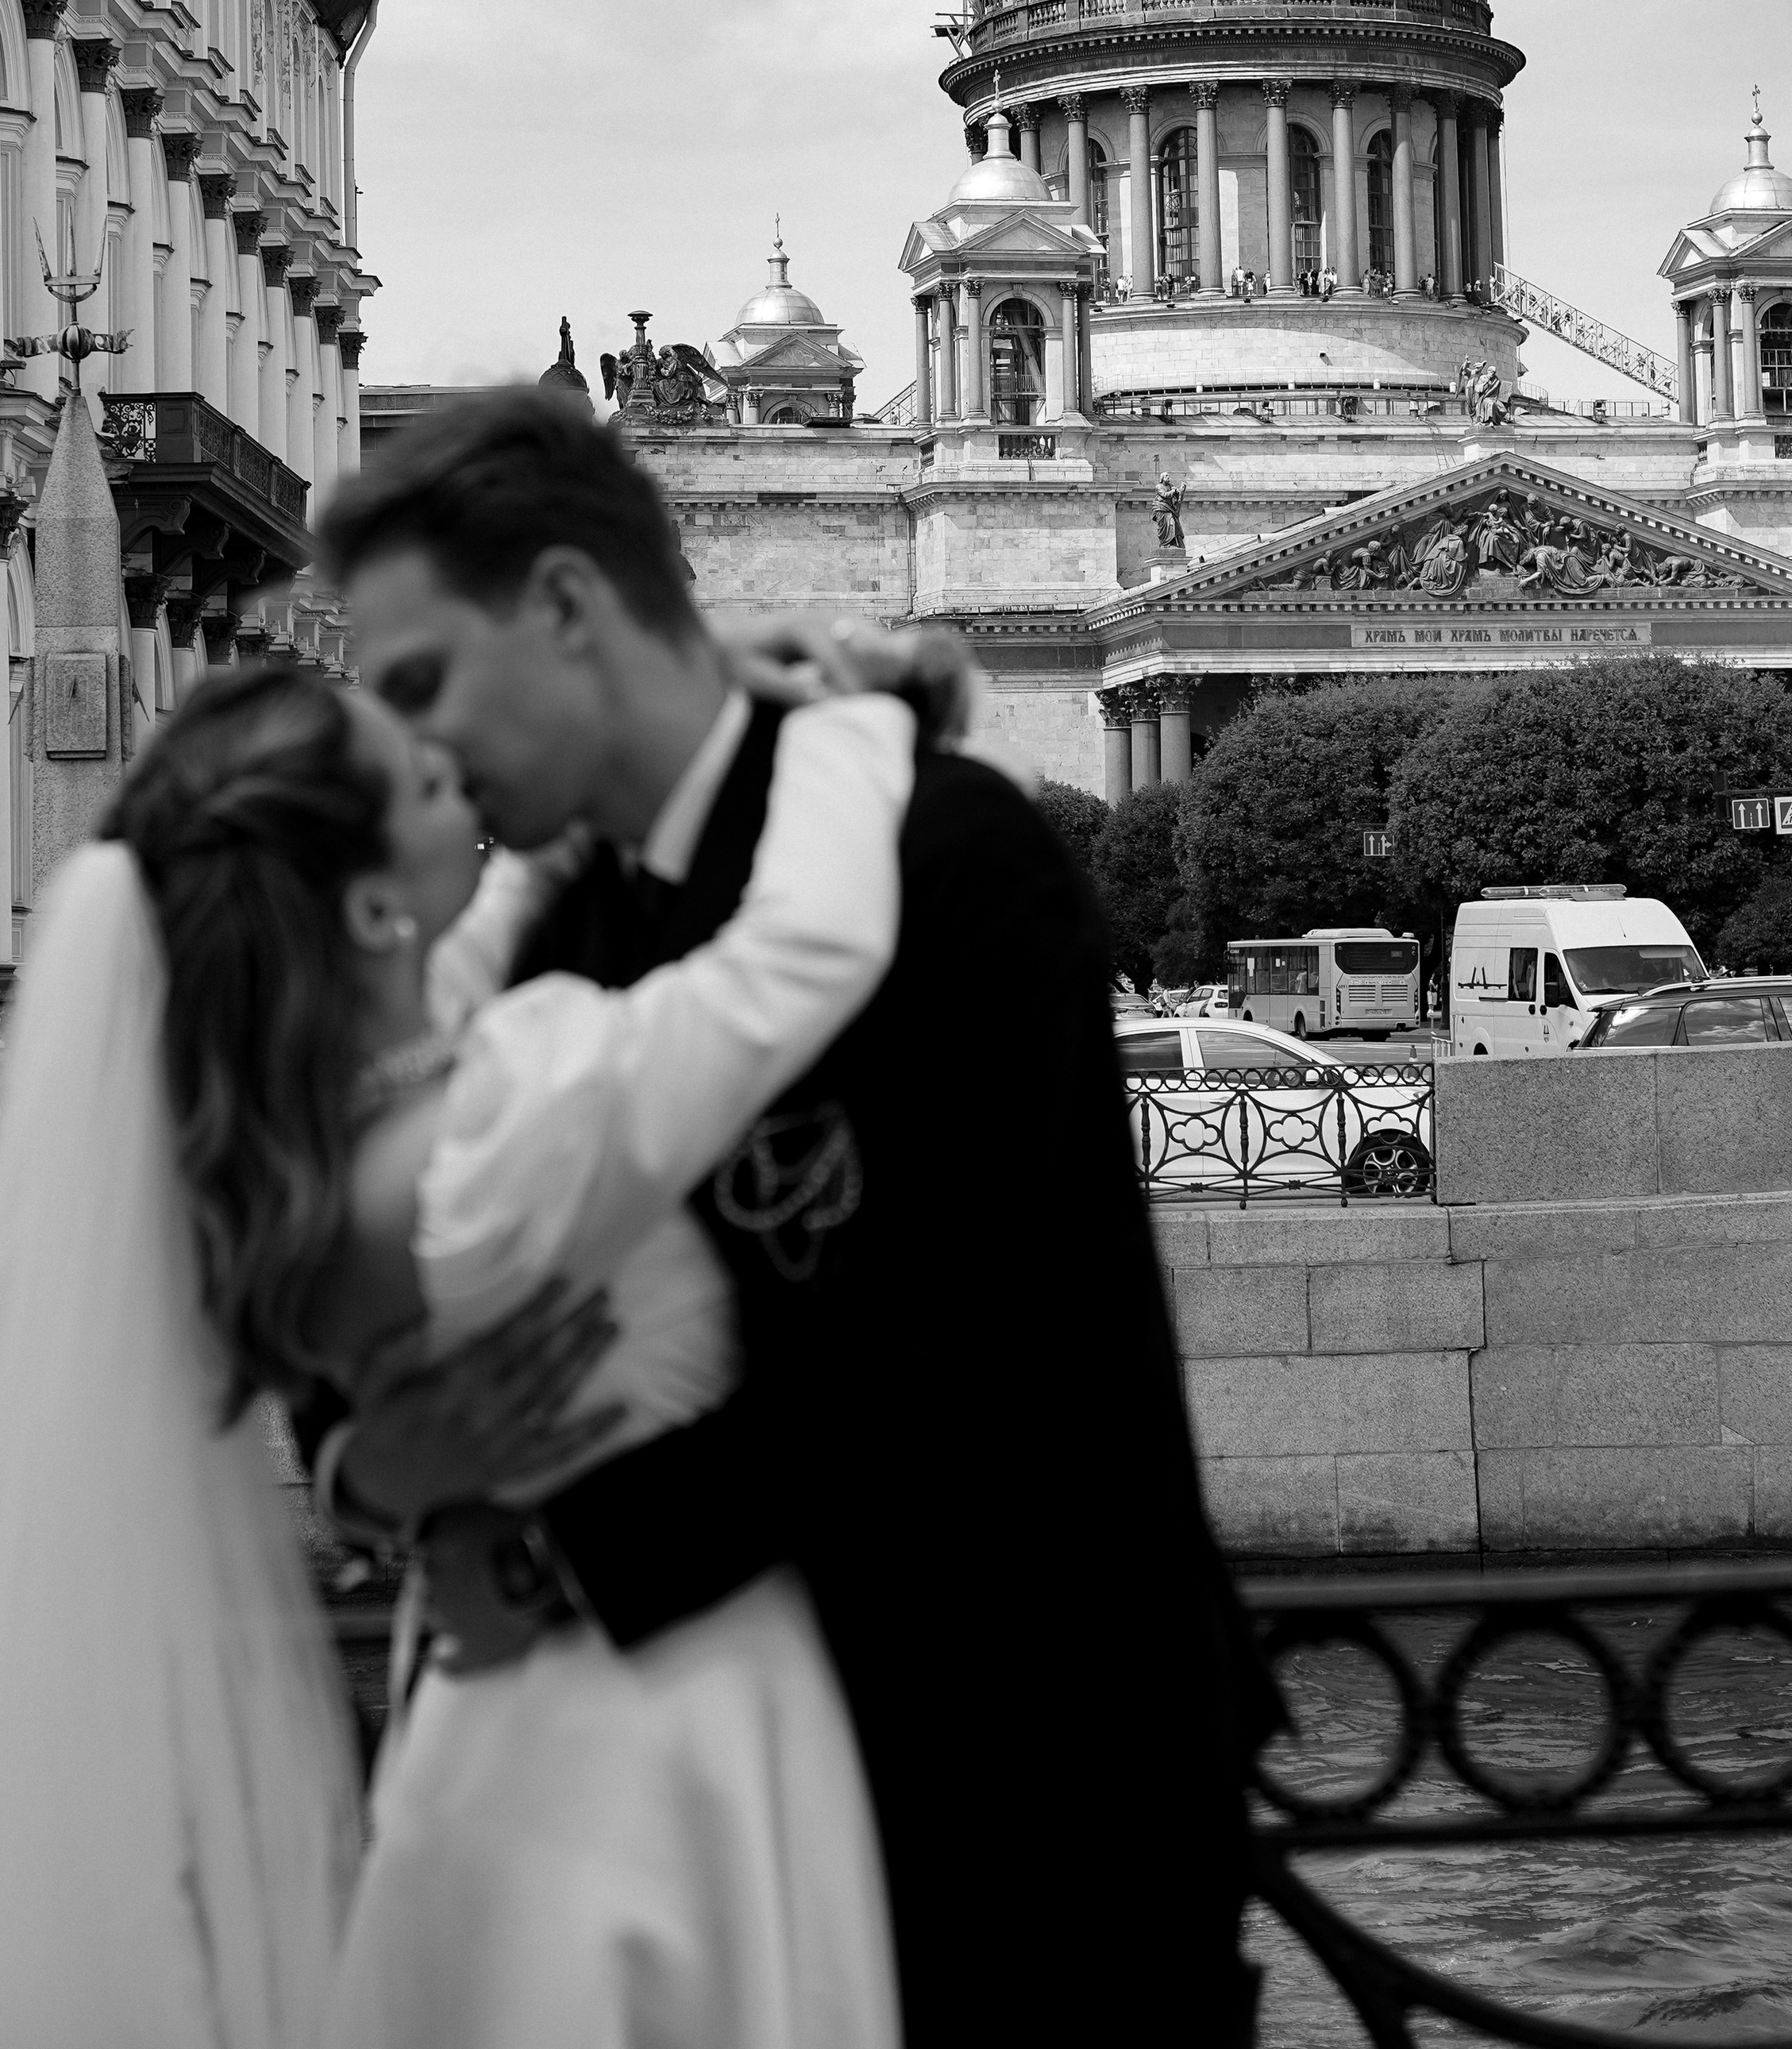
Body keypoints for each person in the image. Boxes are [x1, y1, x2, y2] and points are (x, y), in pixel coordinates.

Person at [315, 388, 1272, 2045]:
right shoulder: (565, 924)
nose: (412, 752)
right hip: (694, 1819)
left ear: (561, 604)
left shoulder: (951, 857)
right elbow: (385, 1247)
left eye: (420, 682)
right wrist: (367, 1466)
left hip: (1015, 1798)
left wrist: (535, 1549)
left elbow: (941, 1362)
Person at [0, 661, 919, 2049]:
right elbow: (805, 954)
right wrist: (845, 723)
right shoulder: (513, 1119)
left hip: (477, 1725)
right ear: (369, 905)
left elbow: (469, 921)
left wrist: (365, 1481)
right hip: (665, 1750)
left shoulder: (310, 1157)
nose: (452, 763)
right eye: (418, 776)